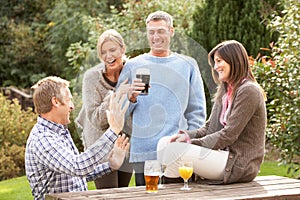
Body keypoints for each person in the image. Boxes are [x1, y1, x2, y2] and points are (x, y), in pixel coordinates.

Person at [116, 11, 207, 186]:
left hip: (177, 150)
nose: (155, 36)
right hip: (144, 153)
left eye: (161, 31)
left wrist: (190, 142)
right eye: (151, 32)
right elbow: (118, 113)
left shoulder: (187, 65)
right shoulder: (133, 65)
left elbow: (197, 111)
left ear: (171, 31)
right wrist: (131, 98)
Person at [158, 40, 267, 184]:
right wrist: (184, 136)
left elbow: (229, 134)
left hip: (236, 163)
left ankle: (168, 193)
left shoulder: (248, 91)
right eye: (214, 63)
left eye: (219, 61)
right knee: (164, 143)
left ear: (234, 60)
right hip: (220, 155)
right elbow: (209, 128)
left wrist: (191, 143)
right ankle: (175, 192)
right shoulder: (226, 91)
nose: (216, 67)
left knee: (176, 151)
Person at [25, 76, 130, 200]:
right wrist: (113, 131)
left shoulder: (59, 132)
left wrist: (111, 165)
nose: (72, 106)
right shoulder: (43, 139)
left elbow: (75, 174)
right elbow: (77, 167)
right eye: (69, 100)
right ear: (56, 102)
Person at [75, 29, 133, 189]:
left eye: (113, 50)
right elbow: (96, 119)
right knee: (108, 194)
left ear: (123, 49)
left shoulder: (132, 71)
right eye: (103, 52)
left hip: (125, 142)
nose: (108, 56)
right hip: (100, 144)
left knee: (122, 192)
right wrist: (116, 94)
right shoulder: (91, 77)